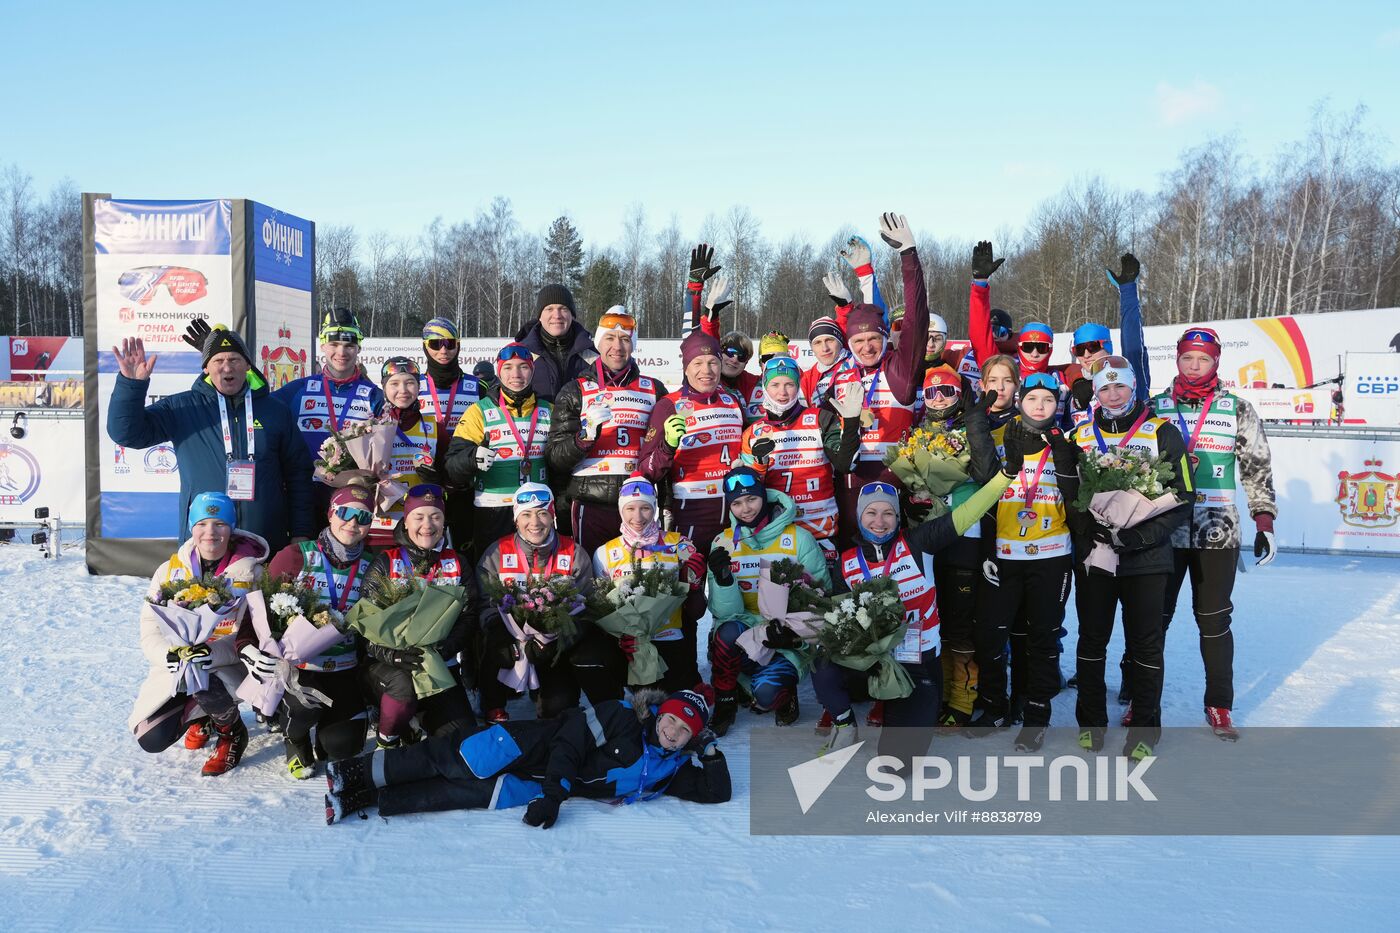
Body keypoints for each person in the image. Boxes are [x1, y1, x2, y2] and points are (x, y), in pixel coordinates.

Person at [323, 684, 730, 825]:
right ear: (659, 714)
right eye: (671, 721)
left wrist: (710, 751)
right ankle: (352, 773)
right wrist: (555, 796)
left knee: (451, 794)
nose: (673, 733)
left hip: (531, 784)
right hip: (525, 747)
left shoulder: (668, 770)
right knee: (448, 760)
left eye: (685, 732)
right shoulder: (622, 716)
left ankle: (364, 799)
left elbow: (717, 792)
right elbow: (568, 744)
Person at [1142, 326, 1279, 740]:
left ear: (1216, 361)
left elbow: (1256, 467)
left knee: (1214, 620)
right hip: (1163, 526)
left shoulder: (1236, 408)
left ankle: (1219, 703)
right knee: (1153, 619)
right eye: (1187, 357)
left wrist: (1264, 520)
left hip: (1216, 528)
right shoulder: (1154, 406)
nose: (1194, 365)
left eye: (1203, 359)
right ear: (1177, 359)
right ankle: (1141, 700)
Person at [814, 471, 1009, 760]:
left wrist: (1006, 475)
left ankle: (898, 712)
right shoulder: (847, 562)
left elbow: (968, 513)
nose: (879, 522)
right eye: (871, 513)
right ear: (859, 516)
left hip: (917, 663)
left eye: (888, 513)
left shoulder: (918, 542)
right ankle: (844, 725)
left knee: (895, 763)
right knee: (822, 660)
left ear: (898, 517)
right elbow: (838, 625)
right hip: (872, 663)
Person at [1066, 357, 1193, 760]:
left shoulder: (1162, 432)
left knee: (1145, 645)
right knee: (1092, 639)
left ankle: (1145, 729)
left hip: (1147, 557)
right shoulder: (1079, 436)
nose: (1113, 395)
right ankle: (1091, 723)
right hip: (1097, 555)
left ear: (1134, 387)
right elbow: (1068, 495)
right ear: (1096, 393)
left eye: (1120, 386)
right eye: (1104, 388)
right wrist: (1088, 530)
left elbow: (1185, 496)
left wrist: (1140, 535)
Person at [108, 327, 313, 551]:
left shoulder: (275, 411)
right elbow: (127, 434)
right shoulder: (183, 408)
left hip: (264, 541)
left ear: (248, 365)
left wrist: (301, 531)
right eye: (218, 360)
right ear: (206, 367)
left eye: (234, 359)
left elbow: (298, 474)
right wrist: (131, 385)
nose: (227, 367)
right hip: (204, 544)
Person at [965, 373, 1080, 751]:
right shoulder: (1002, 439)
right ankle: (995, 707)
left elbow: (1076, 499)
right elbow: (984, 484)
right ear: (1020, 402)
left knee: (1042, 640)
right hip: (1005, 554)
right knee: (990, 635)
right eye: (1033, 399)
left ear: (1057, 405)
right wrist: (977, 424)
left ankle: (1035, 715)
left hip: (1051, 555)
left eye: (1048, 400)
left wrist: (1063, 455)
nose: (1040, 406)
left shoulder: (1066, 442)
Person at [128, 492, 267, 776]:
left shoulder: (253, 573)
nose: (210, 532)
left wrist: (211, 653)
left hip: (227, 665)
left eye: (220, 524)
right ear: (191, 527)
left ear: (231, 528)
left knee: (206, 679)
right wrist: (170, 655)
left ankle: (231, 732)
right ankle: (202, 717)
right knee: (152, 737)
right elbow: (149, 629)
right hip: (178, 667)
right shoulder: (169, 571)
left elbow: (253, 634)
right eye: (202, 524)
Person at [252, 483, 377, 778]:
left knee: (343, 746)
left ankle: (327, 732)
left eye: (363, 517)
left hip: (345, 667)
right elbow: (260, 613)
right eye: (345, 512)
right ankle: (294, 737)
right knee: (306, 708)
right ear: (330, 514)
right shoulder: (297, 555)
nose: (353, 523)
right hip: (300, 669)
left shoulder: (373, 565)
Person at [476, 484, 623, 723]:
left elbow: (588, 608)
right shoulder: (497, 552)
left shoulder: (573, 552)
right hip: (512, 642)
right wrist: (501, 634)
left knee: (557, 710)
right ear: (516, 519)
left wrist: (558, 640)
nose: (535, 522)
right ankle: (493, 705)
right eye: (526, 514)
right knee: (493, 645)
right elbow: (485, 604)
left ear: (552, 516)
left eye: (542, 513)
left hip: (554, 646)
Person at [705, 467, 832, 732]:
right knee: (725, 632)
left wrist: (792, 635)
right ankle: (726, 700)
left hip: (785, 636)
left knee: (766, 696)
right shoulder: (723, 542)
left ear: (764, 496)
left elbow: (822, 599)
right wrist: (724, 580)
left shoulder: (799, 538)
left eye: (751, 499)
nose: (745, 509)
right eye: (737, 503)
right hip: (744, 630)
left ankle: (783, 691)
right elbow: (724, 614)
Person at [359, 485, 478, 748]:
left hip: (438, 666)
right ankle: (388, 737)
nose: (427, 525)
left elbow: (469, 616)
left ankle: (415, 720)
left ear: (444, 522)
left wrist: (446, 648)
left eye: (435, 516)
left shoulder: (458, 563)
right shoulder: (386, 562)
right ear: (406, 521)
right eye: (419, 517)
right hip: (390, 666)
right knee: (402, 687)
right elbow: (366, 627)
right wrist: (395, 655)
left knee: (462, 741)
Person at [837, 213, 932, 544]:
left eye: (873, 339)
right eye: (858, 341)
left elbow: (917, 318)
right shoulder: (843, 375)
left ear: (885, 339)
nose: (866, 347)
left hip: (894, 487)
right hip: (849, 488)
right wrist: (864, 275)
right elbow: (868, 315)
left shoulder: (898, 370)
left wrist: (908, 255)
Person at [545, 307, 668, 554]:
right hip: (590, 504)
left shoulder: (654, 390)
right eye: (609, 338)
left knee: (639, 573)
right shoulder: (575, 390)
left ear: (633, 345)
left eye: (625, 339)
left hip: (637, 506)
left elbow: (664, 453)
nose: (617, 347)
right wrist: (584, 437)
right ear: (599, 343)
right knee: (591, 572)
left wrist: (667, 504)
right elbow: (555, 457)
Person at [592, 475, 707, 691]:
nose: (637, 517)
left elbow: (696, 612)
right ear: (621, 510)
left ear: (654, 508)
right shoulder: (604, 553)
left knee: (675, 698)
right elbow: (602, 609)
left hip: (672, 638)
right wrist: (621, 638)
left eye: (645, 508)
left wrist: (694, 586)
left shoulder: (679, 544)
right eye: (630, 508)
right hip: (630, 644)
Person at [637, 330, 745, 558]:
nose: (707, 371)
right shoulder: (669, 405)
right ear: (686, 368)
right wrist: (668, 445)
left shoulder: (732, 401)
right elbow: (646, 470)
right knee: (691, 577)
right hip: (691, 513)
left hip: (736, 512)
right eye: (698, 363)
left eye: (713, 362)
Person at [740, 356, 863, 555]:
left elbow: (846, 465)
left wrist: (850, 423)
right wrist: (760, 463)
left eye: (789, 384)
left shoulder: (820, 418)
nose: (782, 392)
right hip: (777, 532)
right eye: (775, 385)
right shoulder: (753, 433)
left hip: (821, 530)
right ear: (764, 387)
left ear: (797, 386)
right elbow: (749, 492)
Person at [273, 308, 384, 526]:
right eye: (334, 344)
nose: (341, 352)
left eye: (349, 345)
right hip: (303, 498)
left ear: (358, 347)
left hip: (350, 502)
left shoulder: (373, 395)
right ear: (323, 345)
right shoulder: (299, 389)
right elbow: (259, 405)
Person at [445, 343, 552, 557]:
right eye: (508, 367)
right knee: (493, 572)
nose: (516, 374)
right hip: (493, 510)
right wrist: (472, 458)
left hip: (536, 511)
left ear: (532, 371)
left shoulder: (549, 410)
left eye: (523, 367)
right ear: (499, 372)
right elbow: (451, 466)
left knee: (537, 572)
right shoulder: (479, 411)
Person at [417, 317, 481, 551]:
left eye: (450, 343)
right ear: (425, 347)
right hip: (427, 480)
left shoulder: (478, 387)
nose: (443, 350)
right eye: (436, 344)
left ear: (458, 346)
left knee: (466, 549)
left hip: (464, 481)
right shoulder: (413, 385)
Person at [366, 357, 440, 550]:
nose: (403, 390)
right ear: (384, 388)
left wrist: (437, 477)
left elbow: (451, 474)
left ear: (419, 387)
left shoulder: (433, 426)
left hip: (422, 526)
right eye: (395, 384)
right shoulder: (371, 427)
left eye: (410, 383)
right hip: (382, 524)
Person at [514, 284, 596, 402]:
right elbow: (504, 391)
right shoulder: (522, 353)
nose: (557, 315)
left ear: (572, 315)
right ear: (540, 316)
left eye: (563, 309)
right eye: (549, 309)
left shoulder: (593, 354)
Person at [799, 315, 858, 410]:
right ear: (812, 348)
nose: (825, 348)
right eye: (818, 342)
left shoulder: (855, 365)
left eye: (829, 340)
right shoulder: (807, 379)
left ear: (840, 342)